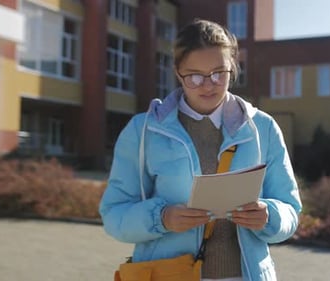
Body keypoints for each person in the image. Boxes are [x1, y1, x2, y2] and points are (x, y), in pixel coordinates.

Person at [100, 19, 302, 281]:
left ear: (233, 67)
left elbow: (290, 211)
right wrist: (161, 218)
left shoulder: (263, 128)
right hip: (167, 274)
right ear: (177, 72)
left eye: (219, 73)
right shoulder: (143, 131)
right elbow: (114, 214)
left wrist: (269, 216)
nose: (208, 85)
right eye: (194, 76)